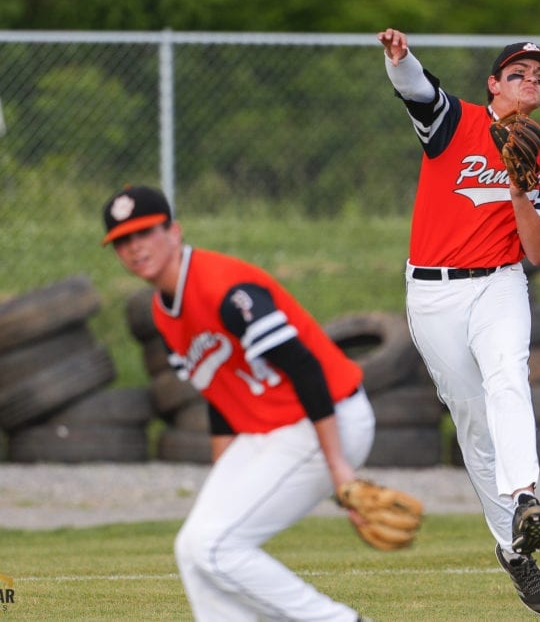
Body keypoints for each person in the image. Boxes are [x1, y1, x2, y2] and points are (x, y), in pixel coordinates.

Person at [101, 184, 376, 622]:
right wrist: (225, 479)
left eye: (144, 233)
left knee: (216, 545)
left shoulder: (223, 288)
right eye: (123, 241)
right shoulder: (161, 311)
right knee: (192, 550)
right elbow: (218, 390)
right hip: (273, 429)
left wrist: (340, 467)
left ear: (174, 231)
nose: (135, 248)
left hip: (326, 415)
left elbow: (304, 367)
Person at [377, 28, 540, 618]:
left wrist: (518, 185)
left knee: (508, 376)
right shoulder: (456, 122)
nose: (531, 81)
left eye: (539, 77)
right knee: (473, 422)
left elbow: (538, 252)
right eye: (518, 73)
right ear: (493, 84)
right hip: (432, 292)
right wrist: (399, 59)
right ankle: (515, 552)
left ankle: (526, 497)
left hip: (499, 284)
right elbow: (419, 93)